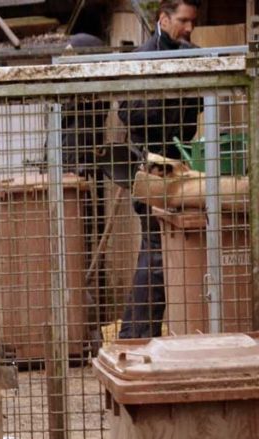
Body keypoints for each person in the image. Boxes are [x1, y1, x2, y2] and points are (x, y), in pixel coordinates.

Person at [117, 0, 201, 339]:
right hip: (151, 169)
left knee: (161, 252)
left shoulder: (191, 54)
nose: (189, 28)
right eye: (183, 21)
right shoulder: (142, 57)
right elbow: (127, 113)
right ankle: (136, 336)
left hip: (179, 165)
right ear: (163, 19)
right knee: (156, 252)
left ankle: (139, 334)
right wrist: (169, 102)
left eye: (192, 22)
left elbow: (195, 110)